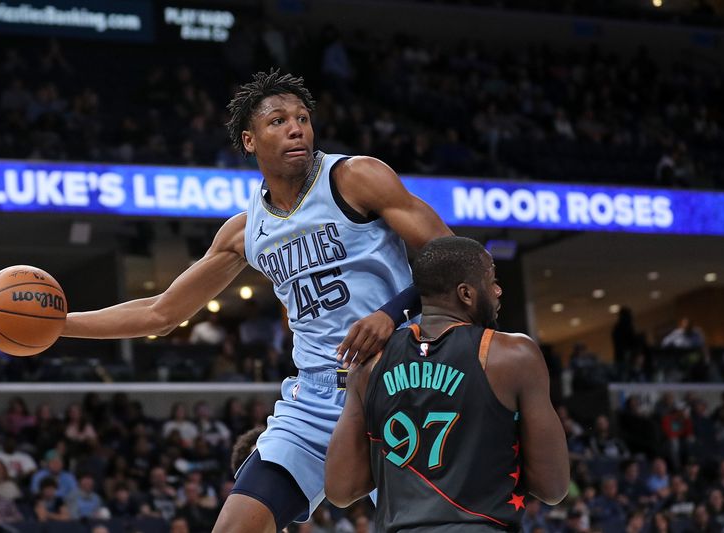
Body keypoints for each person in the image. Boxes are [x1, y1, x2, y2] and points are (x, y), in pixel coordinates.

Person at [61, 69, 452, 532]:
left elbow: (454, 258)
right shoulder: (245, 231)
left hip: (399, 379)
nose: (296, 128)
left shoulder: (355, 178)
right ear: (250, 141)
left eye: (303, 118)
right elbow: (161, 313)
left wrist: (391, 314)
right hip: (315, 398)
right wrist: (59, 325)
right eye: (279, 120)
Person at [325, 236, 569, 531]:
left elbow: (340, 489)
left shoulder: (370, 364)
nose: (498, 290)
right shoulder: (513, 355)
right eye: (491, 280)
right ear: (466, 294)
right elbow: (552, 487)